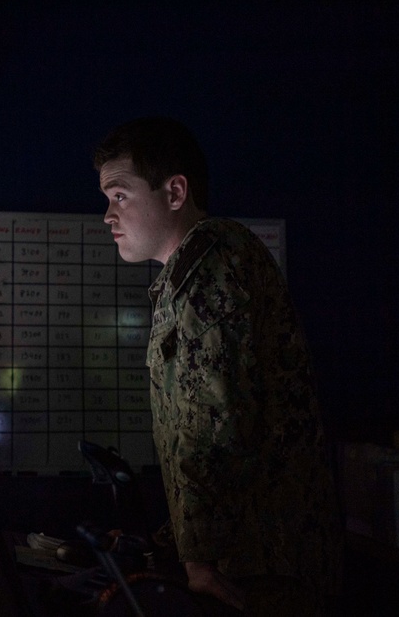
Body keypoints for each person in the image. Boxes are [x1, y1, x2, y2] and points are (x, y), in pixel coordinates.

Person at [93, 117, 342, 615]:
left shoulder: (212, 262)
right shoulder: (190, 270)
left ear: (175, 192)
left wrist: (199, 558)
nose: (106, 215)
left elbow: (215, 421)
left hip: (260, 569)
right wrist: (172, 544)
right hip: (246, 559)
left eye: (119, 195)